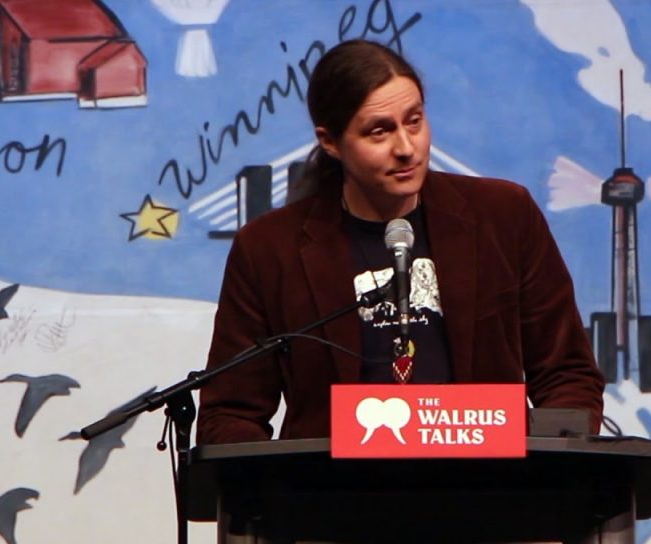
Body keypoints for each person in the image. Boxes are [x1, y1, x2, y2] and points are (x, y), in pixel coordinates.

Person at [195, 40, 604, 444]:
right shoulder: (269, 249)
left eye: (414, 122)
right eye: (379, 132)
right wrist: (285, 483)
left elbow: (567, 374)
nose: (406, 148)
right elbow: (230, 412)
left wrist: (547, 467)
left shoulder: (503, 216)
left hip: (487, 480)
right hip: (334, 485)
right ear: (330, 142)